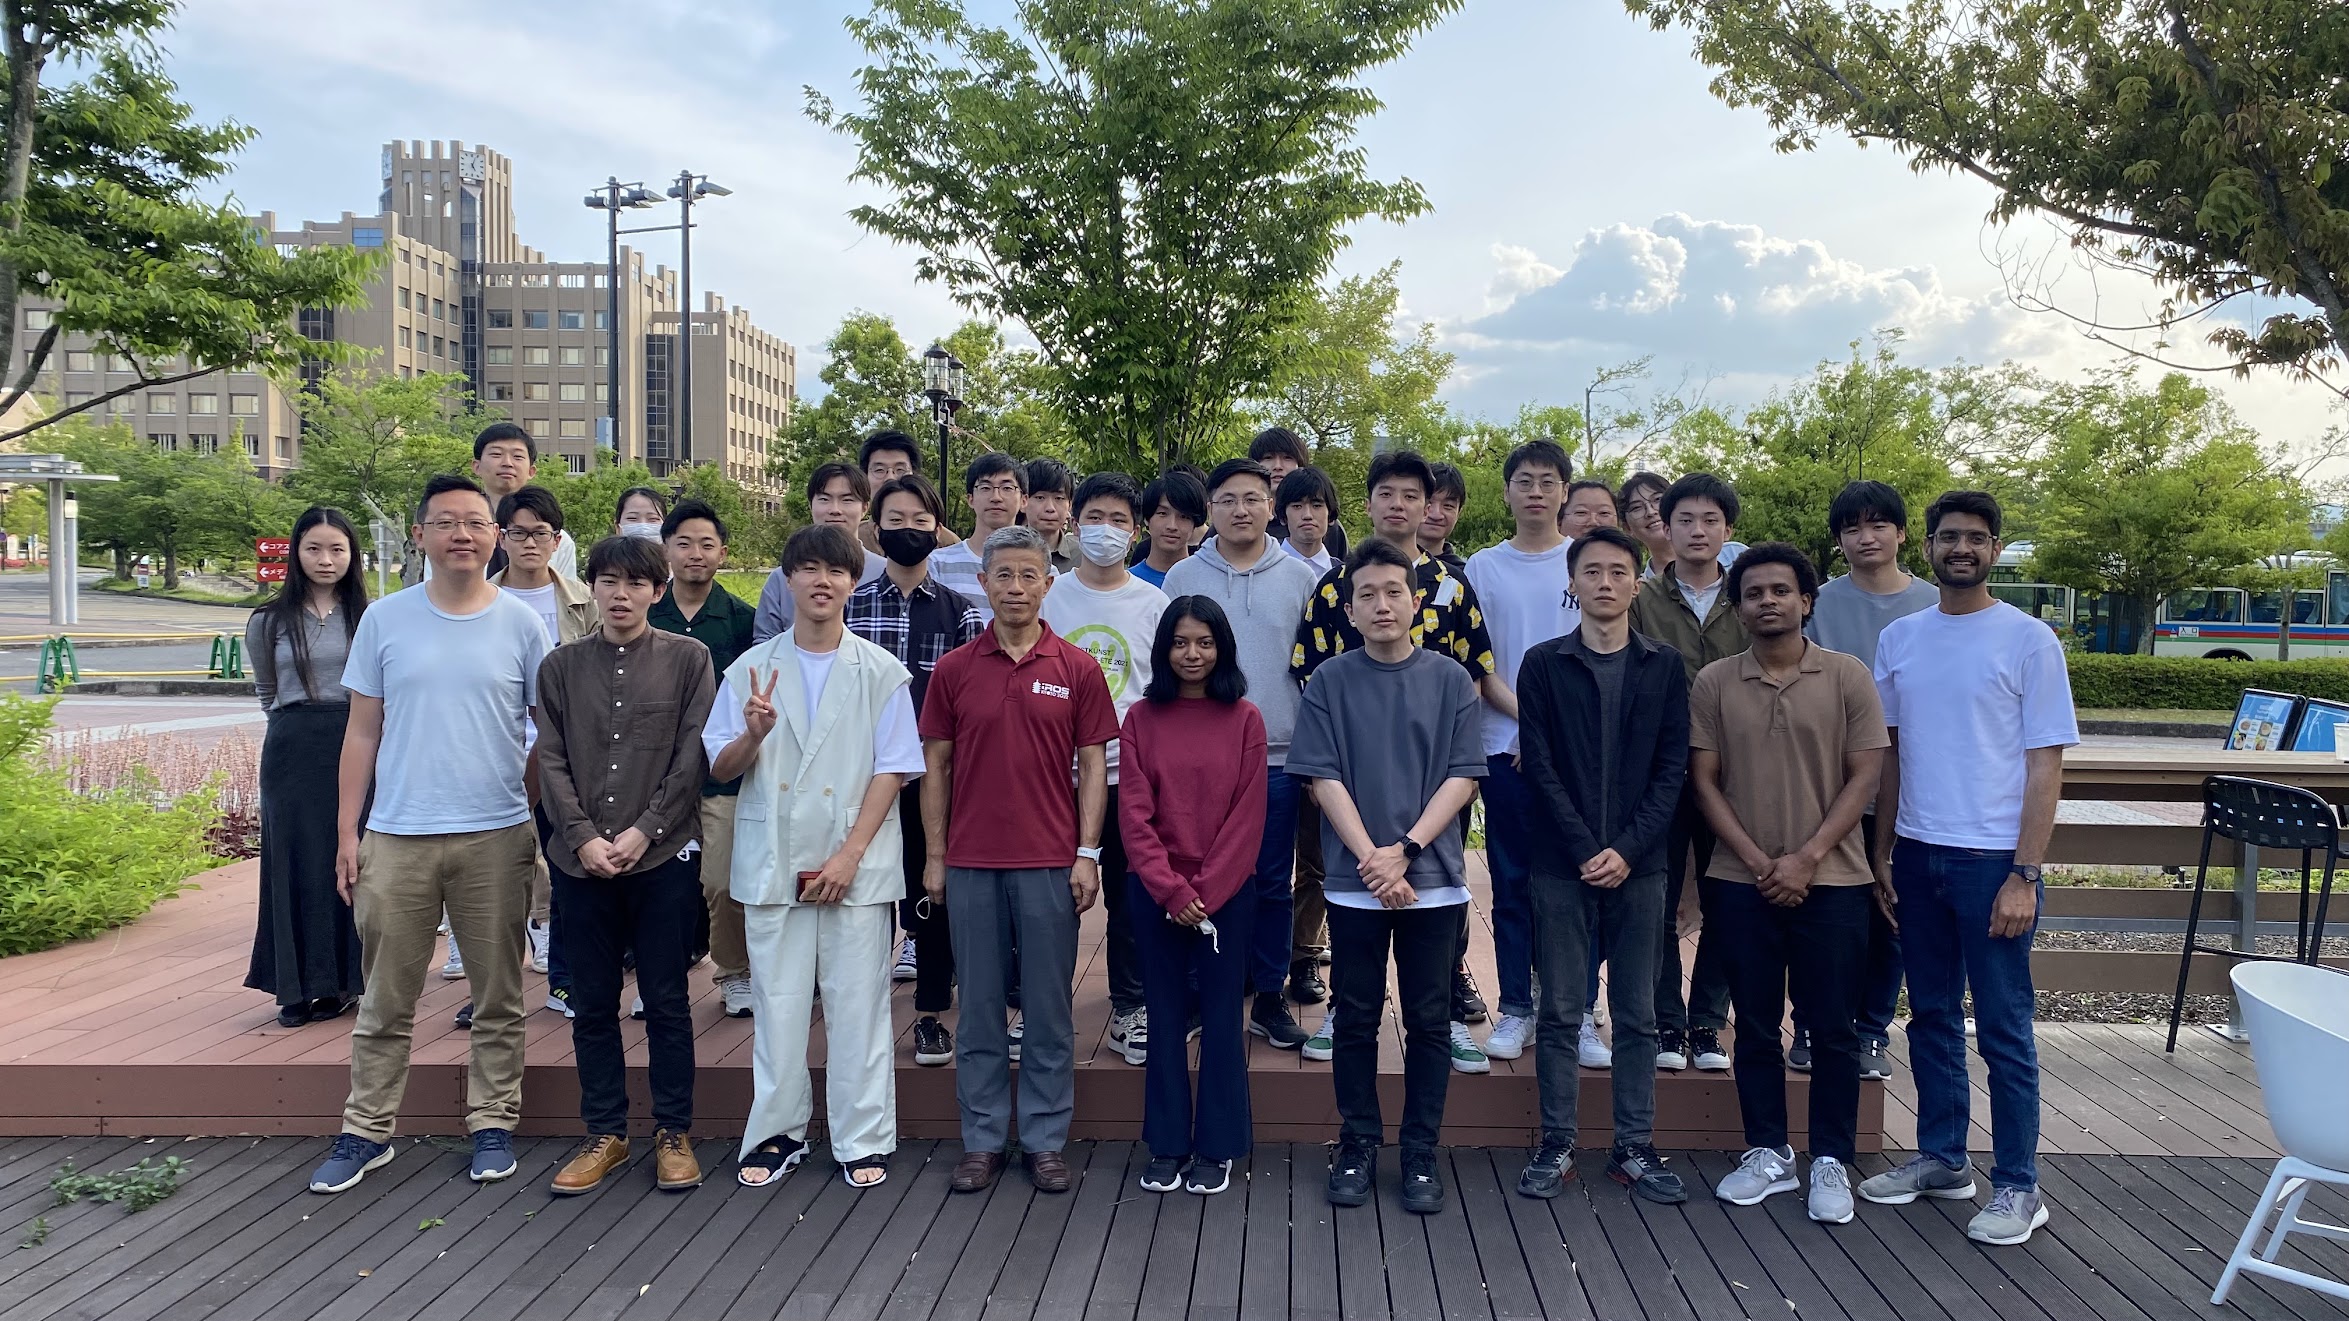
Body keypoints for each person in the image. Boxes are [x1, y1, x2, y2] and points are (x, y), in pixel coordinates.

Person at [308, 474, 550, 1195]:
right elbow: (361, 731)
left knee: (498, 995)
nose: (462, 535)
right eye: (446, 522)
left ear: (495, 536)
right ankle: (366, 1130)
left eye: (476, 522)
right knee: (386, 996)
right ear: (419, 535)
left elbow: (548, 733)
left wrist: (526, 806)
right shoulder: (385, 619)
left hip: (496, 834)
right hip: (397, 833)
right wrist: (347, 832)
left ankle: (492, 1122)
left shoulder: (520, 624)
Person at [1860, 490, 2076, 1247]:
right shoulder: (1901, 637)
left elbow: (2045, 765)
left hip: (1993, 863)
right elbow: (1890, 754)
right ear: (1926, 547)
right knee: (1930, 1018)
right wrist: (1883, 849)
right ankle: (1943, 1158)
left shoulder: (2028, 640)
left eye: (1976, 538)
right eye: (1948, 536)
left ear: (1995, 550)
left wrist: (2025, 871)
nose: (1961, 548)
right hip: (1917, 854)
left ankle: (2018, 1183)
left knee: (2004, 1028)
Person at [710, 525, 923, 1191]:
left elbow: (893, 769)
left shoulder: (880, 671)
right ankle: (777, 1132)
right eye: (807, 568)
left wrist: (849, 856)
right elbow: (720, 766)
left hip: (855, 862)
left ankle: (863, 1136)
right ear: (788, 579)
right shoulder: (749, 670)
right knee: (777, 1004)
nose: (821, 581)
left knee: (858, 1005)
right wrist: (753, 735)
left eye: (835, 570)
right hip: (775, 859)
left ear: (853, 581)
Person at [1690, 544, 1888, 1225]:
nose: (1767, 601)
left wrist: (1807, 856)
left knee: (1831, 1026)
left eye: (1781, 590)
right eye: (1753, 593)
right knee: (1751, 1024)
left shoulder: (1846, 675)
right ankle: (1768, 1151)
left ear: (1806, 600)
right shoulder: (1714, 682)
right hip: (1738, 880)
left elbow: (1865, 774)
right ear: (1738, 607)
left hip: (1833, 879)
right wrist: (1757, 860)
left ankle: (1829, 1157)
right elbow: (1704, 781)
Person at [1286, 539, 1485, 1216]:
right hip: (1354, 882)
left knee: (1429, 1020)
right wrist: (1374, 859)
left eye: (1393, 591)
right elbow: (1322, 778)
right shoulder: (1329, 681)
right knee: (1354, 1017)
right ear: (1348, 608)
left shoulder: (1450, 679)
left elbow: (1463, 775)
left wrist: (1403, 849)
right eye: (1365, 594)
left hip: (1432, 878)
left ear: (1416, 600)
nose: (1381, 604)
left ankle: (1420, 1149)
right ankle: (1358, 1142)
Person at [1291, 449, 1504, 1075]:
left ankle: (1448, 1000)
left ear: (1428, 505)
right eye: (1386, 492)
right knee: (1339, 891)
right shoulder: (1335, 585)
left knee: (1441, 893)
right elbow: (1310, 672)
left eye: (1412, 494)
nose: (1399, 504)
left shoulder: (1452, 587)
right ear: (1368, 503)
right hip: (1354, 775)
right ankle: (1343, 1008)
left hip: (1435, 779)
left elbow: (1474, 674)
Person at [922, 525, 1117, 1196]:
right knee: (977, 1007)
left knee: (1047, 1008)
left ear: (1047, 583)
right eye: (1002, 575)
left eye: (1028, 575)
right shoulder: (954, 670)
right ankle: (981, 1139)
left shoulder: (1077, 668)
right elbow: (936, 767)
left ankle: (1043, 1138)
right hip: (971, 861)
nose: (1015, 587)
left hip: (1049, 861)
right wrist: (936, 856)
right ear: (982, 582)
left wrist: (1087, 853)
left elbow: (1093, 767)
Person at [1512, 526, 1691, 1206]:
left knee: (1637, 1013)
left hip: (1641, 867)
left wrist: (1628, 849)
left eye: (1619, 571)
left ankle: (1633, 1145)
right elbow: (1539, 765)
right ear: (1572, 583)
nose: (1606, 582)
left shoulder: (1664, 665)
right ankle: (1556, 1142)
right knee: (1560, 1009)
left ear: (1636, 583)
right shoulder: (1542, 664)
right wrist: (1586, 847)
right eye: (1592, 571)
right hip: (1562, 863)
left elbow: (1671, 769)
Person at [534, 535, 716, 1196]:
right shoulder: (560, 666)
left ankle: (673, 1131)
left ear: (657, 591)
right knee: (591, 1002)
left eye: (636, 583)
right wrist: (582, 836)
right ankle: (605, 1132)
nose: (621, 594)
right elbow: (550, 758)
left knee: (666, 1000)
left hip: (661, 858)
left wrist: (646, 830)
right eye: (608, 581)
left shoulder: (689, 659)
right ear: (592, 588)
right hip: (579, 862)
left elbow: (692, 754)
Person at [1163, 458, 1319, 1049]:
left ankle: (1269, 995)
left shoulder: (1300, 577)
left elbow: (1314, 669)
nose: (1240, 510)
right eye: (1227, 499)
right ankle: (1202, 992)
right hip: (1202, 761)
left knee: (1273, 881)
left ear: (1270, 507)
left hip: (1280, 757)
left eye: (1252, 498)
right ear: (1210, 509)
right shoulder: (1183, 577)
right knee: (1204, 877)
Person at [1123, 596, 1269, 1196]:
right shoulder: (1140, 719)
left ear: (1222, 648)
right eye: (1180, 643)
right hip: (1156, 891)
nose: (1192, 654)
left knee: (1222, 1017)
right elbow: (1134, 814)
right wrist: (1169, 888)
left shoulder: (1245, 719)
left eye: (1204, 643)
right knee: (1162, 1017)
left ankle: (1218, 1144)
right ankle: (1166, 1142)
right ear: (1163, 649)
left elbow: (1247, 817)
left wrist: (1204, 893)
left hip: (1225, 894)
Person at [1796, 479, 1939, 1081]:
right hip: (1831, 787)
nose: (1866, 537)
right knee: (1826, 914)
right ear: (1839, 540)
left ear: (1902, 533)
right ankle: (1811, 1023)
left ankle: (1873, 1028)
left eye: (1879, 524)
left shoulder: (1936, 603)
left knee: (1893, 914)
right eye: (1852, 528)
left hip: (1911, 787)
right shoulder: (1818, 604)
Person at [847, 473, 984, 1067]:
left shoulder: (962, 614)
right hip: (860, 778)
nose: (909, 531)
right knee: (863, 896)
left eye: (920, 521)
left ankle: (930, 1014)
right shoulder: (851, 607)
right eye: (896, 521)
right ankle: (859, 1014)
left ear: (937, 529)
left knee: (933, 890)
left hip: (933, 777)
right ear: (876, 531)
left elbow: (969, 707)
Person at [1041, 472, 1169, 1065]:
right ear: (1074, 522)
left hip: (1128, 775)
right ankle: (1042, 1009)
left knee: (1130, 898)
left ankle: (1130, 1008)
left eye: (1119, 521)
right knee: (1048, 902)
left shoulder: (1154, 604)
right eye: (1095, 518)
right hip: (1052, 777)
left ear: (1135, 531)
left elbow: (1165, 691)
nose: (1106, 530)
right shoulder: (1049, 595)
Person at [1464, 441, 1584, 1066]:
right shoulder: (1483, 567)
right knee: (1511, 880)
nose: (1536, 491)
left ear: (1565, 491)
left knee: (1575, 884)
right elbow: (1480, 664)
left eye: (1548, 481)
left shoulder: (1586, 560)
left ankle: (1578, 1010)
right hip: (1503, 747)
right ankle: (1516, 1005)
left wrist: (1555, 736)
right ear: (1507, 491)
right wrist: (1533, 728)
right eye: (1524, 481)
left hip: (1578, 753)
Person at [457, 485, 592, 1025]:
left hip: (566, 761)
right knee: (494, 881)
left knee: (566, 873)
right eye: (518, 532)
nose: (530, 542)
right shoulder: (477, 601)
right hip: (495, 758)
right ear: (501, 538)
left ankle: (564, 981)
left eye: (541, 532)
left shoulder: (586, 600)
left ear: (557, 540)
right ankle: (491, 990)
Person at [1628, 471, 1747, 1075]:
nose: (1697, 531)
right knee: (1657, 896)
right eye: (1685, 520)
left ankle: (1707, 1022)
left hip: (1738, 774)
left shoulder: (1749, 596)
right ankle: (1665, 1022)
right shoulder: (1641, 600)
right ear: (1666, 529)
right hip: (1662, 773)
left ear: (1728, 529)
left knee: (1728, 897)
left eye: (1710, 520)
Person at [246, 506, 370, 1027]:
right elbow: (266, 691)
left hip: (356, 740)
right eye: (314, 548)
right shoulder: (268, 620)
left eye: (337, 549)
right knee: (292, 861)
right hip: (292, 748)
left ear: (352, 555)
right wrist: (295, 725)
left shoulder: (369, 616)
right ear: (296, 553)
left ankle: (342, 982)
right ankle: (293, 987)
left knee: (351, 861)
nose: (325, 559)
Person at [649, 498, 760, 1019]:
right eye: (684, 543)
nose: (695, 553)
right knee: (656, 885)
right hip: (654, 776)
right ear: (666, 550)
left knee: (721, 881)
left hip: (721, 775)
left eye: (707, 544)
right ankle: (660, 978)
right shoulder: (647, 614)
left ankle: (734, 972)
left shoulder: (743, 621)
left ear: (723, 553)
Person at [425, 423, 578, 582]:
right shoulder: (451, 535)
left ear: (531, 471)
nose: (507, 463)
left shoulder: (556, 539)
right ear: (476, 466)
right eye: (496, 454)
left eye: (517, 457)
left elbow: (565, 593)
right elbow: (435, 587)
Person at [756, 463, 885, 641]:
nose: (835, 510)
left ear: (865, 507)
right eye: (824, 499)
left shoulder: (885, 573)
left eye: (847, 500)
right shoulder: (782, 577)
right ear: (811, 505)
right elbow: (764, 643)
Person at [928, 452, 1027, 621]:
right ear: (970, 499)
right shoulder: (937, 564)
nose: (996, 497)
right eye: (985, 488)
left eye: (1007, 488)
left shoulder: (1040, 568)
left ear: (1024, 500)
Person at [855, 429, 962, 555]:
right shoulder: (854, 539)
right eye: (879, 470)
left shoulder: (948, 544)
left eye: (900, 469)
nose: (890, 478)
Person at [1256, 428, 1349, 558]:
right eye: (1268, 458)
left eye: (1287, 458)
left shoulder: (1327, 526)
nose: (1277, 466)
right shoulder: (1247, 520)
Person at [1132, 470, 1207, 589]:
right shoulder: (1127, 582)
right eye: (1162, 513)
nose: (1172, 526)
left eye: (1183, 516)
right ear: (1147, 518)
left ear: (1195, 523)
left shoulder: (1209, 581)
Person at [1274, 465, 1342, 576]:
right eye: (1297, 506)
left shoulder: (1347, 576)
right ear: (1283, 516)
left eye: (1316, 506)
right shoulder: (1262, 570)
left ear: (1329, 513)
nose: (1307, 515)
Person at [1023, 457, 1078, 573]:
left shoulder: (1083, 556)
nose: (1050, 508)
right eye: (1040, 497)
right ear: (1023, 501)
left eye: (1059, 498)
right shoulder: (1005, 551)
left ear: (1070, 505)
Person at [1417, 461, 1469, 576]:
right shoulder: (1383, 562)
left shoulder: (1465, 575)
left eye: (1448, 506)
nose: (1436, 515)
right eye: (1429, 502)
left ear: (1459, 513)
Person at [1617, 471, 1673, 574]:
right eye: (1637, 507)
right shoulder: (1638, 584)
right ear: (1627, 527)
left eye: (1657, 499)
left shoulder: (1706, 564)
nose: (1650, 512)